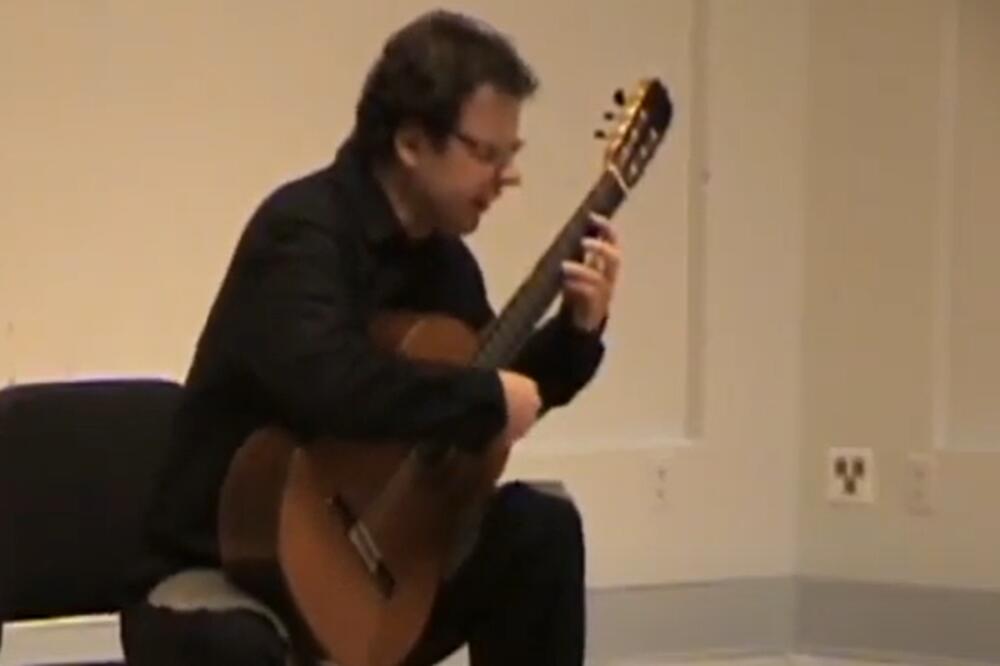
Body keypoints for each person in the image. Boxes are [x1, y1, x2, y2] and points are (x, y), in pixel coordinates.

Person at [120, 9, 622, 666]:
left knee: (539, 529)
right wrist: (483, 399)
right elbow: (330, 384)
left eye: (512, 156)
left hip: (370, 566)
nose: (507, 177)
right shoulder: (303, 233)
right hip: (231, 564)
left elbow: (479, 408)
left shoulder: (445, 264)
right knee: (238, 649)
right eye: (485, 154)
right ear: (411, 143)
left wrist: (576, 335)